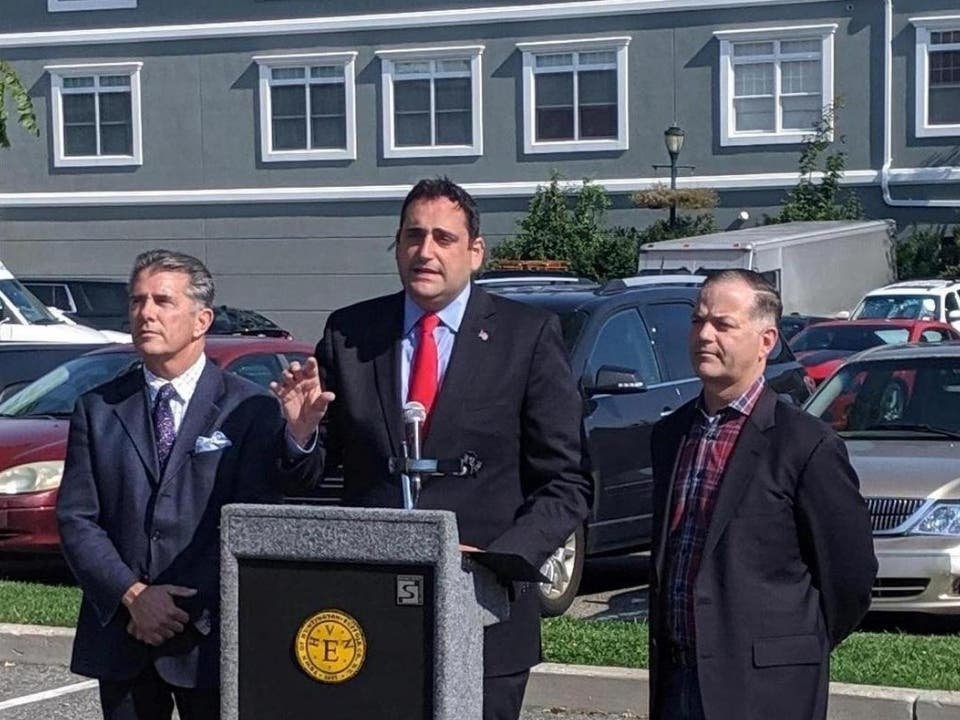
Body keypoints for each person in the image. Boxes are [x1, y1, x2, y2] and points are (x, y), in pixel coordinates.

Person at [272, 177, 592, 720]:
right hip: (369, 610)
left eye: (444, 238)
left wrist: (500, 560)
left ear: (475, 252)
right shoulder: (350, 333)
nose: (425, 251)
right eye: (413, 236)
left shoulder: (527, 335)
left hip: (484, 611)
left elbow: (567, 481)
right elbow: (307, 479)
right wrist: (300, 435)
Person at [57, 250, 297, 720]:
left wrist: (180, 604)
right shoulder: (98, 408)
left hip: (210, 637)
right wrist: (134, 596)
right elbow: (77, 518)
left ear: (201, 318)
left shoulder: (247, 409)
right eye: (137, 301)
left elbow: (251, 520)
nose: (145, 313)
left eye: (162, 301)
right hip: (125, 636)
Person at [647, 269, 876, 720]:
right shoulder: (670, 434)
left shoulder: (806, 445)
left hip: (767, 688)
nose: (703, 335)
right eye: (698, 321)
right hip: (678, 680)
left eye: (722, 325)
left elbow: (850, 577)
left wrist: (791, 648)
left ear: (766, 340)